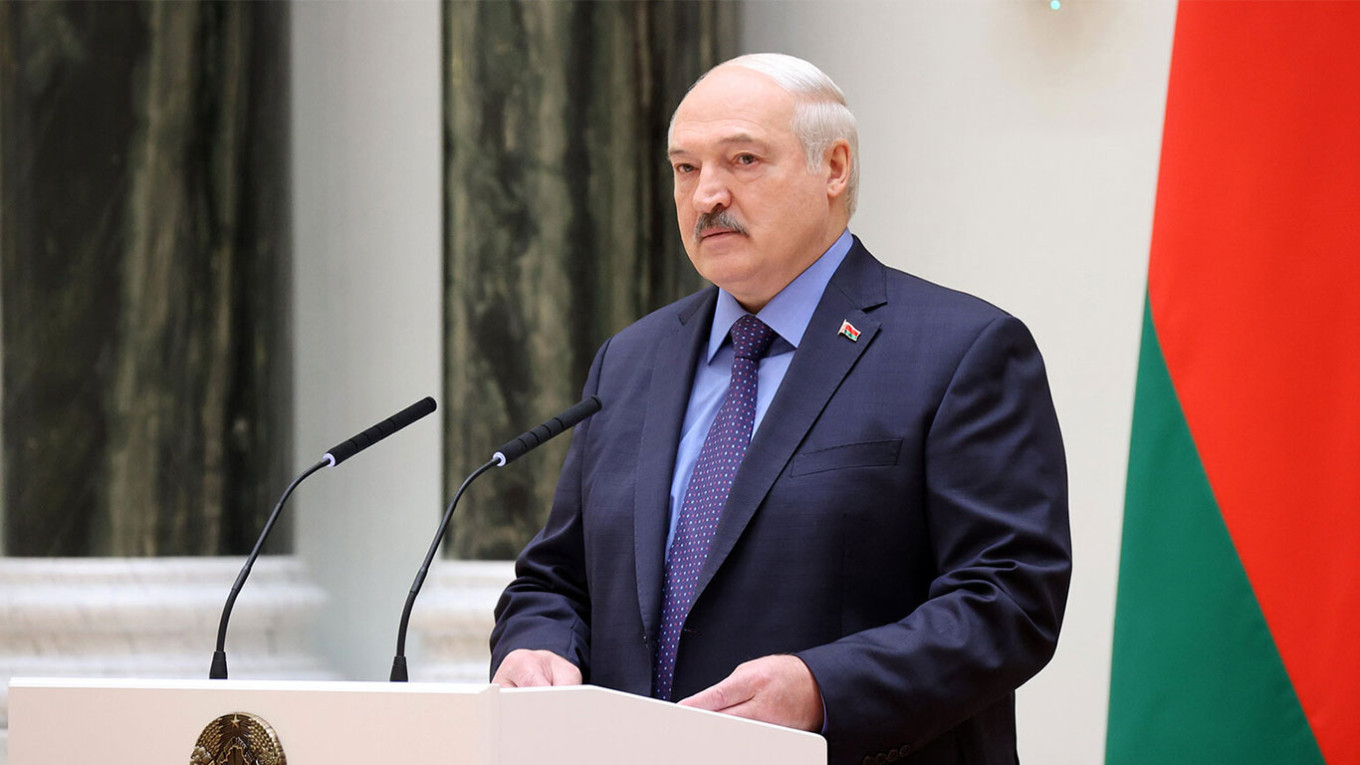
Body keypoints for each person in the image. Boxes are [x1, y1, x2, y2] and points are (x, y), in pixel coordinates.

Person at [489, 53, 1071, 765]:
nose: (707, 195)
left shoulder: (961, 350)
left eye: (743, 160)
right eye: (685, 168)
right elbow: (555, 579)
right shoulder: (631, 360)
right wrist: (536, 645)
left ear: (835, 168)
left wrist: (824, 690)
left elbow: (1009, 598)